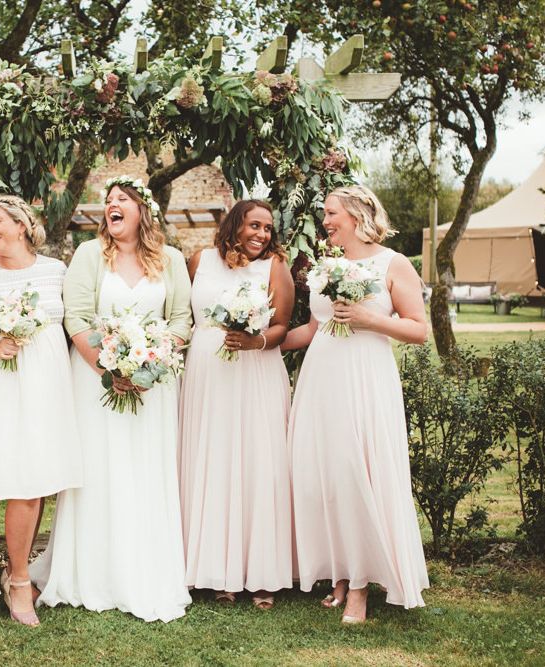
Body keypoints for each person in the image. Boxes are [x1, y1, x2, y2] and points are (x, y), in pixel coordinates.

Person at [30, 176, 192, 623]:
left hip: (154, 385)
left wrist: (152, 361)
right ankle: (90, 571)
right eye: (109, 201)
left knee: (144, 468)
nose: (112, 206)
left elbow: (181, 320)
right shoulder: (88, 255)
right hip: (95, 382)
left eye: (123, 200)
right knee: (99, 469)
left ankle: (145, 568)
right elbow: (77, 317)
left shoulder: (172, 260)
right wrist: (109, 368)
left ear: (143, 210)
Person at [283, 185, 429, 624]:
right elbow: (312, 328)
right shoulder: (327, 266)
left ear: (357, 214)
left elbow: (419, 330)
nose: (325, 221)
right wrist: (261, 343)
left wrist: (369, 319)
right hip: (321, 376)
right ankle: (341, 572)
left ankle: (362, 587)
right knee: (322, 474)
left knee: (357, 470)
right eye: (325, 215)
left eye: (331, 213)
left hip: (365, 377)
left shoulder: (393, 262)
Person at [0, 194, 82, 626]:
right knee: (21, 482)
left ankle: (18, 567)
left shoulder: (57, 272)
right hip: (5, 386)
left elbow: (77, 322)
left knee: (42, 479)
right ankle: (20, 581)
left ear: (23, 224)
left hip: (51, 387)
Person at [179, 200, 295, 609]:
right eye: (254, 225)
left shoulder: (275, 267)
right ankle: (215, 572)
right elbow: (183, 316)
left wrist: (255, 341)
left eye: (267, 228)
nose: (262, 234)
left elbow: (282, 325)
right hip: (206, 374)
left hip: (256, 373)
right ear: (235, 225)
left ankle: (263, 573)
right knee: (211, 462)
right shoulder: (199, 261)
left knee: (257, 464)